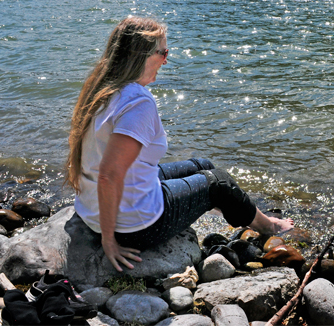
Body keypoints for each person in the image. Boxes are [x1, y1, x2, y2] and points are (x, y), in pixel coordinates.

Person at [66, 16, 293, 272]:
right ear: (140, 56)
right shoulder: (137, 103)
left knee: (201, 165)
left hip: (94, 210)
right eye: (163, 52)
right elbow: (109, 175)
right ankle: (268, 226)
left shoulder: (103, 89)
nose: (166, 60)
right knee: (219, 182)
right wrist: (108, 241)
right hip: (134, 226)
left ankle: (228, 210)